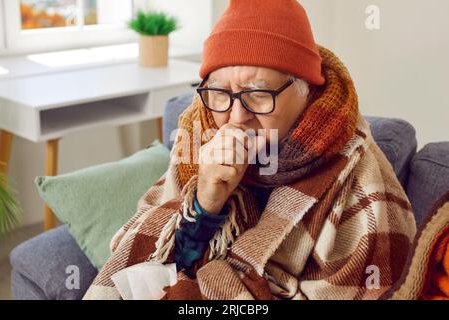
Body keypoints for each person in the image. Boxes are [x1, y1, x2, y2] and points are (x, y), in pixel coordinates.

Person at [84, 0, 416, 300]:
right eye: (220, 93)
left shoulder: (361, 187)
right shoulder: (199, 132)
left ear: (307, 90)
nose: (237, 117)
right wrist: (204, 202)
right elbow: (147, 259)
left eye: (258, 94)